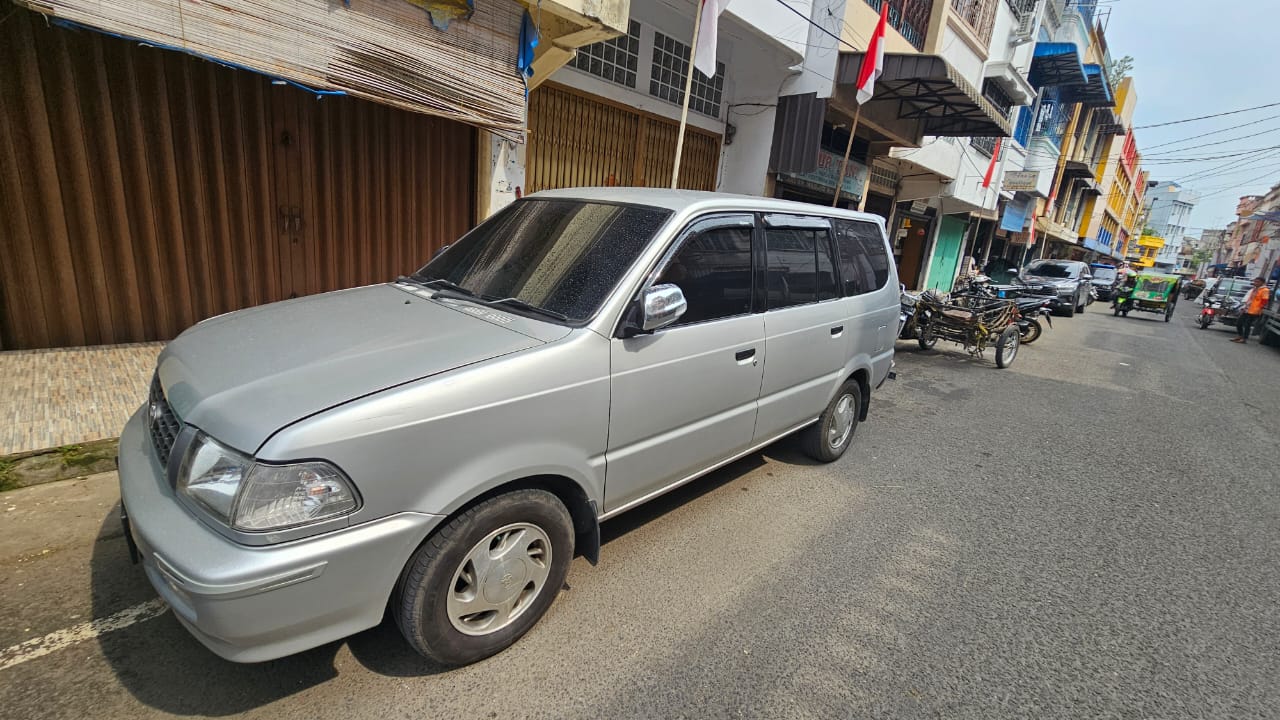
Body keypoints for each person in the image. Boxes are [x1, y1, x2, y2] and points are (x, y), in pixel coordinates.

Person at [1231, 276, 1271, 344]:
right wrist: (1244, 307)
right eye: (1255, 281)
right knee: (1239, 323)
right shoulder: (1255, 289)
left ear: (1262, 282)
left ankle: (1244, 339)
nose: (1255, 283)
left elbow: (1265, 301)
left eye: (1257, 282)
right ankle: (1240, 336)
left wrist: (1259, 308)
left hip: (1254, 310)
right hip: (1247, 308)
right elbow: (1250, 299)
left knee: (1247, 325)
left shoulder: (1265, 290)